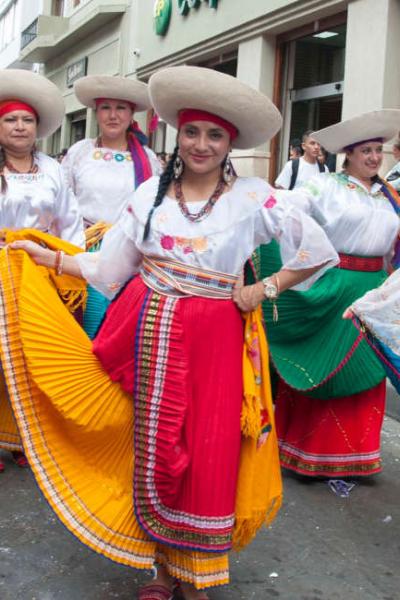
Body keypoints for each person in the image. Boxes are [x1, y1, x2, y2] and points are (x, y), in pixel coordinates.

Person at [2, 66, 338, 599]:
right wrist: (45, 256)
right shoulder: (148, 196)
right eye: (192, 133)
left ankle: (197, 574)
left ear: (229, 144)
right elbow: (106, 269)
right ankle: (159, 568)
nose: (201, 144)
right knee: (153, 442)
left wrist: (263, 289)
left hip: (217, 337)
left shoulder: (254, 197)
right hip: (149, 330)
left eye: (215, 135)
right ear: (176, 136)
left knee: (210, 445)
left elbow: (318, 253)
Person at [257, 109, 400, 478]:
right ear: (348, 154)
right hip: (333, 284)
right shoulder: (325, 186)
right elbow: (286, 211)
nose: (372, 157)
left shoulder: (391, 197)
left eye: (377, 151)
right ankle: (305, 453)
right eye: (365, 150)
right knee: (324, 366)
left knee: (368, 371)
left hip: (375, 292)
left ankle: (359, 456)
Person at [0, 68, 85, 474]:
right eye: (10, 119)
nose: (19, 127)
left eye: (26, 120)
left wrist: (71, 268)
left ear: (37, 127)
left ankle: (24, 436)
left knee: (32, 355)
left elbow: (69, 222)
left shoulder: (53, 168)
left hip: (38, 271)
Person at [62, 75, 161, 338]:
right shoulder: (79, 152)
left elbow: (154, 209)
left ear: (131, 114)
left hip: (127, 252)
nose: (113, 115)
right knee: (84, 325)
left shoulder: (148, 159)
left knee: (120, 328)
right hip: (82, 246)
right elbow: (62, 202)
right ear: (96, 113)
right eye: (106, 107)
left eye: (121, 108)